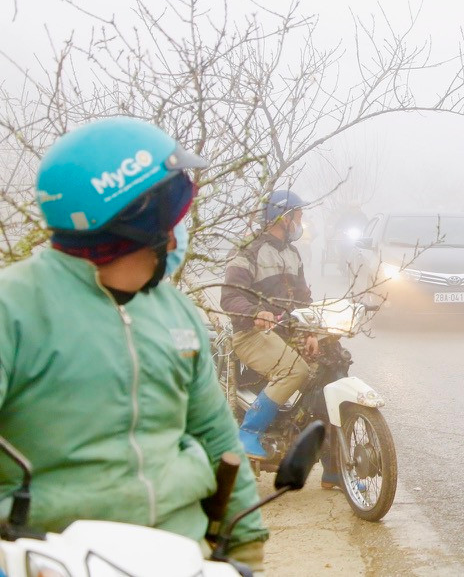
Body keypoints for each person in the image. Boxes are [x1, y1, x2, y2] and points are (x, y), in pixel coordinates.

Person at [0, 117, 267, 570]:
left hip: (180, 552)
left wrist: (246, 545)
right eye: (172, 212)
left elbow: (218, 436)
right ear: (137, 219)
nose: (176, 229)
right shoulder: (14, 308)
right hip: (49, 555)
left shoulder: (176, 312)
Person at [219, 191, 332, 475]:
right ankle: (248, 432)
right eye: (299, 216)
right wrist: (256, 313)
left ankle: (335, 462)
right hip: (251, 334)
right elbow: (230, 299)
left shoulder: (292, 253)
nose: (301, 222)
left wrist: (311, 331)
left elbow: (304, 301)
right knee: (295, 371)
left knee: (332, 367)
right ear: (283, 217)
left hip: (288, 332)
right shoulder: (248, 251)